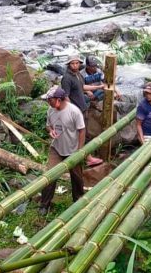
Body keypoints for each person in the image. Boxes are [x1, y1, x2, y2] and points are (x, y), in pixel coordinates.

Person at [39, 86, 102, 215]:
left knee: (77, 177)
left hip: (72, 149)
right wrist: (50, 131)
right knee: (50, 175)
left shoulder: (74, 111)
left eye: (50, 100)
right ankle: (44, 204)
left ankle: (78, 200)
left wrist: (79, 150)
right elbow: (48, 126)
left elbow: (82, 130)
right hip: (56, 148)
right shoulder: (51, 110)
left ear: (59, 99)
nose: (48, 102)